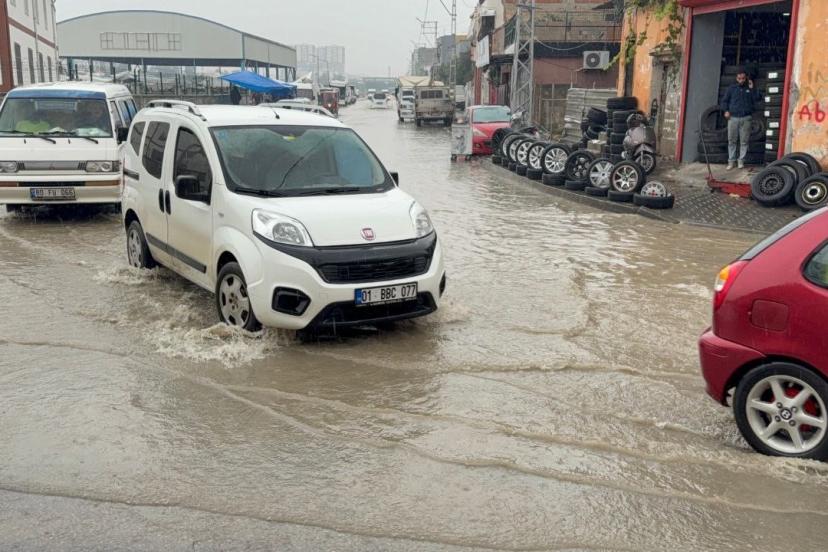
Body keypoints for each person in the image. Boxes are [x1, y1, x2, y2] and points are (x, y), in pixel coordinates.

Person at [719, 69, 762, 169]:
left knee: (744, 141)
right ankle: (731, 161)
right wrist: (725, 111)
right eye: (739, 78)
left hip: (746, 118)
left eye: (743, 78)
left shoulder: (750, 88)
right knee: (731, 141)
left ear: (746, 78)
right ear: (736, 78)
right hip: (733, 118)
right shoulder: (731, 88)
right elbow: (724, 101)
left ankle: (741, 161)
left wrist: (752, 88)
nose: (741, 80)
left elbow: (758, 98)